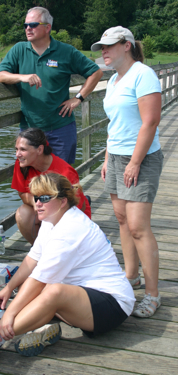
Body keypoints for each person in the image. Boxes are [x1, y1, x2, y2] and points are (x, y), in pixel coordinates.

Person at [0, 172, 135, 368]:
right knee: (42, 291)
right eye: (36, 197)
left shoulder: (69, 229)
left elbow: (37, 280)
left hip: (113, 305)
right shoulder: (51, 220)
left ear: (63, 201)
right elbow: (32, 260)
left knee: (52, 291)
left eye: (45, 198)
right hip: (83, 296)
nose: (38, 203)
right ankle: (45, 326)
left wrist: (9, 314)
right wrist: (9, 287)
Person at [91, 26, 163, 317]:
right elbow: (114, 126)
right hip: (118, 157)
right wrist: (109, 158)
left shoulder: (143, 74)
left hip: (141, 158)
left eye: (109, 46)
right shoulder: (114, 80)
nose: (103, 52)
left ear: (126, 46)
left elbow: (151, 122)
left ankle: (153, 294)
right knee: (121, 219)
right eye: (102, 47)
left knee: (137, 226)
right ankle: (130, 275)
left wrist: (134, 162)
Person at [0, 7, 103, 164]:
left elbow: (95, 72)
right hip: (29, 130)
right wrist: (22, 77)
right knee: (30, 181)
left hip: (61, 127)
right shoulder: (19, 49)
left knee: (60, 180)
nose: (28, 28)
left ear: (48, 27)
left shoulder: (66, 51)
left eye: (33, 24)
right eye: (25, 25)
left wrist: (78, 98)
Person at [12, 128, 91, 244]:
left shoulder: (65, 172)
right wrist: (36, 203)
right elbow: (22, 193)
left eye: (23, 149)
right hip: (45, 210)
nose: (17, 154)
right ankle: (40, 250)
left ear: (39, 149)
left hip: (69, 216)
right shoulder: (21, 165)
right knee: (22, 213)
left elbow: (76, 209)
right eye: (16, 149)